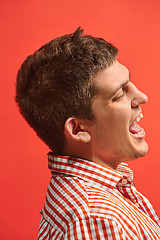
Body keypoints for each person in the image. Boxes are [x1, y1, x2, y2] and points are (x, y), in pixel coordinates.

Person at [16, 27, 160, 239]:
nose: (142, 96)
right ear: (78, 129)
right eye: (119, 95)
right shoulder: (97, 219)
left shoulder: (104, 196)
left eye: (130, 82)